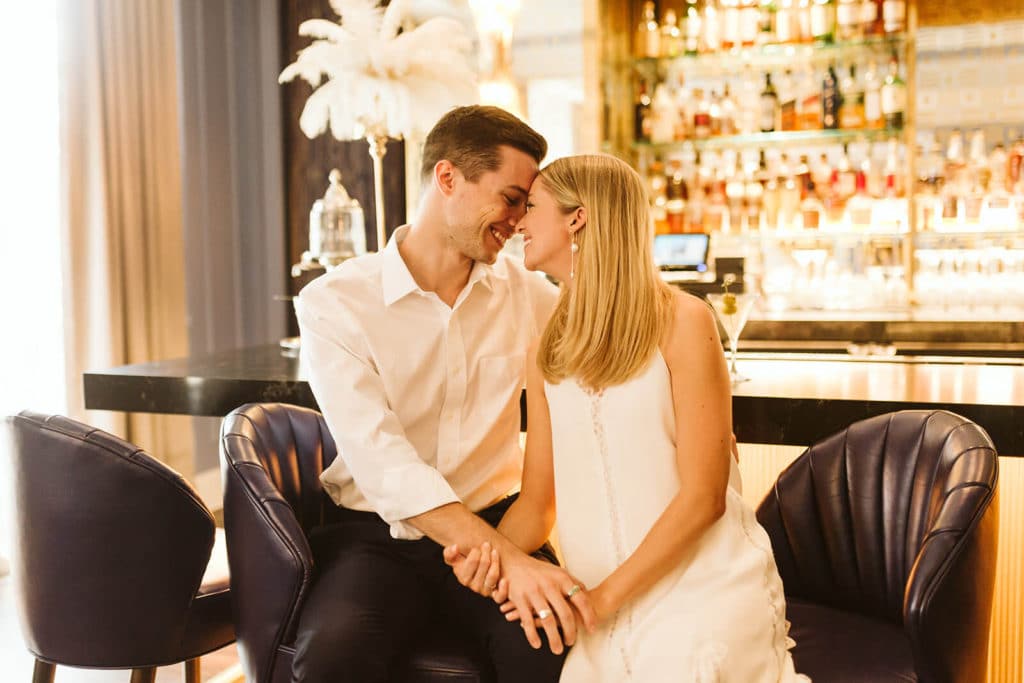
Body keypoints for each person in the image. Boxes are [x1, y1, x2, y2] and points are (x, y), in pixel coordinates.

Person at [447, 155, 810, 682]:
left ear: (578, 217)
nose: (519, 221)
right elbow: (538, 502)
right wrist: (490, 557)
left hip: (699, 591)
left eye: (533, 207)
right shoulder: (545, 349)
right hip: (600, 606)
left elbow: (704, 498)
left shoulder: (684, 321)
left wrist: (602, 600)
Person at [291, 105, 597, 682]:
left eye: (527, 205)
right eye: (510, 198)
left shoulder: (530, 296)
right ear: (448, 178)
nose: (518, 220)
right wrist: (508, 562)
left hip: (504, 522)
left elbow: (607, 344)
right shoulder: (334, 303)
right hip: (374, 538)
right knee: (333, 658)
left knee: (552, 647)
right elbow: (382, 463)